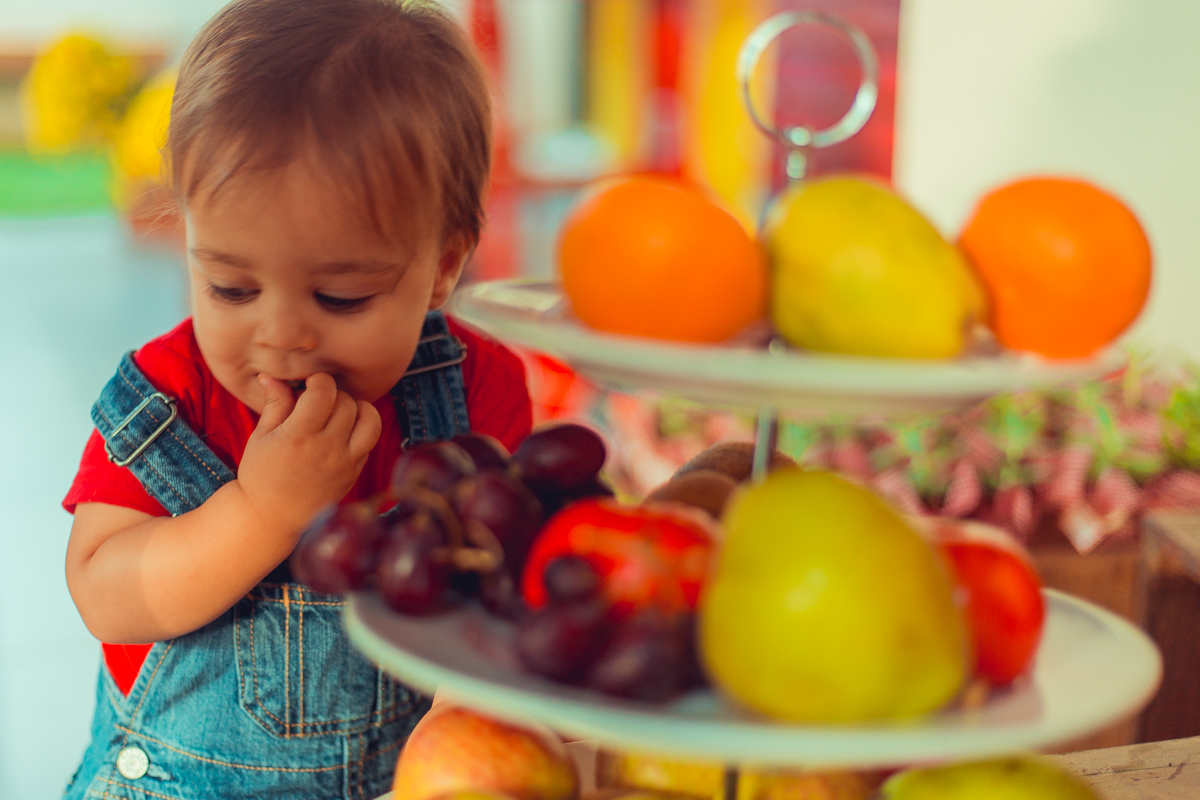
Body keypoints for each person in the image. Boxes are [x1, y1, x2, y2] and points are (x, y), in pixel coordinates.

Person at [60, 1, 532, 797]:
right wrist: (264, 509)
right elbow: (107, 595)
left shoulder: (474, 388)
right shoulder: (170, 397)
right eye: (231, 286)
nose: (279, 337)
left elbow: (502, 586)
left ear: (443, 266)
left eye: (341, 297)